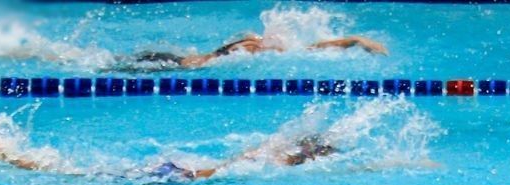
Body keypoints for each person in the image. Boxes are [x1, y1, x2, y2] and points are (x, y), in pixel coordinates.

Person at [0, 132, 337, 182]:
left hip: (174, 172)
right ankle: (2, 156)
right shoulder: (269, 163)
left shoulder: (263, 156)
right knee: (75, 176)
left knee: (76, 172)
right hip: (174, 178)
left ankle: (4, 156)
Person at [114, 32, 388, 72]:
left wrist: (354, 40)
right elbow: (311, 49)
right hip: (170, 66)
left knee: (114, 64)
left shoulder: (254, 45)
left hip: (171, 61)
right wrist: (353, 40)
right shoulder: (250, 47)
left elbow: (311, 48)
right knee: (111, 67)